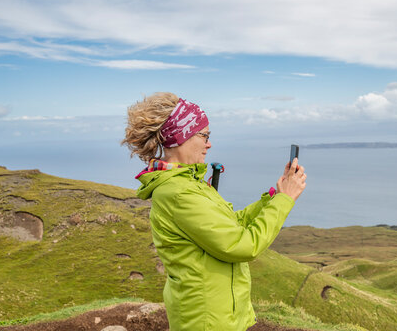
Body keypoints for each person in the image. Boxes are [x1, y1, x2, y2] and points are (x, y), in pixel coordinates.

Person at [122, 92, 306, 331]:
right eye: (204, 136)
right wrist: (285, 200)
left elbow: (231, 224)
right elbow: (243, 245)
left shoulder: (188, 183)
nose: (209, 144)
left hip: (214, 315)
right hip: (207, 320)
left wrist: (274, 197)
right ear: (181, 136)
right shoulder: (180, 193)